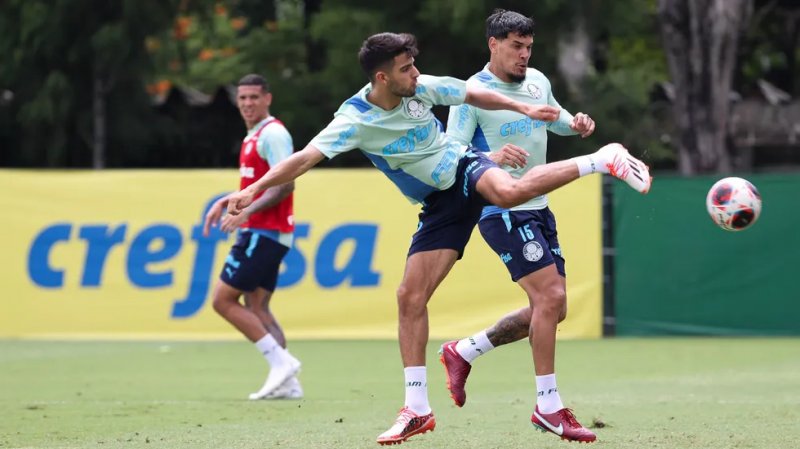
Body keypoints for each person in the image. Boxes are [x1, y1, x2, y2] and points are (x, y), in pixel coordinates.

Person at [224, 33, 651, 445]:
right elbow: (302, 160)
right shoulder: (353, 120)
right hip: (439, 204)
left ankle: (601, 159)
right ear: (382, 79)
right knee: (410, 297)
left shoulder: (420, 87)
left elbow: (472, 94)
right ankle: (416, 409)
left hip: (463, 167)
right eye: (407, 69)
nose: (417, 74)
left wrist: (521, 107)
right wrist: (249, 191)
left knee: (508, 193)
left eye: (414, 66)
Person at [440, 10, 604, 442]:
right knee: (550, 297)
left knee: (554, 308)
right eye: (516, 46)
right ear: (493, 44)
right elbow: (451, 153)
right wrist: (491, 158)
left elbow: (557, 118)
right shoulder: (471, 93)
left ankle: (464, 350)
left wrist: (577, 124)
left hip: (540, 207)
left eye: (529, 47)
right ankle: (548, 406)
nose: (524, 55)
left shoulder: (537, 81)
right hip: (502, 210)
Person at [203, 74, 303, 400]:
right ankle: (289, 383)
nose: (247, 103)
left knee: (222, 300)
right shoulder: (254, 136)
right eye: (242, 98)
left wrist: (247, 212)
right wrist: (227, 200)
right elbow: (260, 183)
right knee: (257, 305)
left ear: (267, 99)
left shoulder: (272, 134)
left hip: (266, 231)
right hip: (268, 231)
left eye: (254, 97)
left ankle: (281, 364)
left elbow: (285, 184)